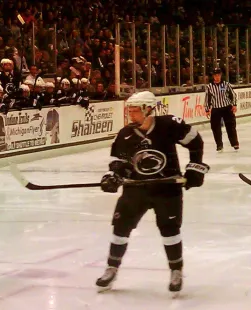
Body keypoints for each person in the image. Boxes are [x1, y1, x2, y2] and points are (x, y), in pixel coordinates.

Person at [96, 91, 208, 296]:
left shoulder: (169, 125)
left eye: (135, 110)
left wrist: (195, 168)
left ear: (148, 109)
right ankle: (111, 268)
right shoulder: (126, 134)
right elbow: (119, 162)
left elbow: (195, 142)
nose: (130, 114)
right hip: (136, 188)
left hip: (167, 188)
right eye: (129, 109)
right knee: (120, 227)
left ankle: (176, 270)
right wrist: (112, 176)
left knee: (169, 230)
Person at [205, 67, 239, 152]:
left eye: (218, 75)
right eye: (215, 75)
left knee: (230, 126)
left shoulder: (226, 84)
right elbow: (207, 99)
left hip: (227, 107)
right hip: (216, 109)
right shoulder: (209, 87)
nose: (217, 77)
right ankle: (219, 145)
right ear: (213, 76)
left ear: (221, 75)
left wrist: (234, 105)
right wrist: (207, 109)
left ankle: (234, 143)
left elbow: (233, 95)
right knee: (215, 128)